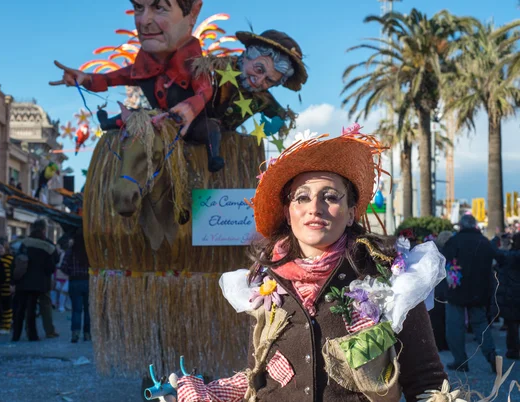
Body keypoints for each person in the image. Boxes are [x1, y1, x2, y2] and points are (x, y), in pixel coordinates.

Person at [174, 125, 452, 401]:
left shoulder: (391, 280)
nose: (314, 207)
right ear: (288, 211)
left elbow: (426, 382)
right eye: (302, 197)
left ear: (352, 212)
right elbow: (258, 377)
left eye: (330, 197)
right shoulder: (265, 285)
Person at [50, 0, 228, 173]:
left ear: (193, 13)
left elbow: (205, 90)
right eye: (137, 7)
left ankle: (214, 158)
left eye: (159, 7)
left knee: (210, 129)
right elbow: (112, 78)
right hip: (157, 124)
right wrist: (86, 79)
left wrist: (188, 109)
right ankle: (108, 124)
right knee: (133, 117)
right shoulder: (144, 67)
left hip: (188, 125)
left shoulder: (196, 66)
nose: (143, 21)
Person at [442, 214, 499, 372]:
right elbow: (496, 260)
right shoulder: (484, 242)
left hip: (456, 290)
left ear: (460, 226)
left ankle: (460, 361)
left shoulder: (454, 242)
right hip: (479, 292)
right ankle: (492, 355)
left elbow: (443, 262)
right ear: (474, 226)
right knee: (480, 324)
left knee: (455, 327)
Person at [12, 220, 56, 342]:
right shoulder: (47, 246)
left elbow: (17, 261)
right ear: (43, 229)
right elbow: (51, 267)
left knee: (20, 309)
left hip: (23, 281)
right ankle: (32, 335)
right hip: (38, 283)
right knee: (31, 310)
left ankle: (16, 335)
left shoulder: (24, 243)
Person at [61, 229, 90, 343]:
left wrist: (71, 273)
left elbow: (63, 266)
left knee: (76, 310)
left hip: (75, 282)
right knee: (88, 310)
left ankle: (75, 334)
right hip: (88, 282)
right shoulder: (89, 252)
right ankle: (87, 334)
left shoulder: (71, 251)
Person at [496, 232, 520, 359]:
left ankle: (514, 350)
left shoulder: (511, 256)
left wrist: (499, 239)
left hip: (512, 295)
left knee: (513, 325)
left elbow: (497, 255)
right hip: (513, 294)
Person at [430, 230, 453, 351]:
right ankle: (443, 343)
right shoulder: (447, 252)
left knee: (436, 317)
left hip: (436, 288)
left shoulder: (434, 251)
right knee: (443, 318)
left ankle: (438, 343)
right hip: (443, 287)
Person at [0, 238, 14, 335]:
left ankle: (6, 326)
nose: (0, 250)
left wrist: (12, 285)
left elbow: (13, 273)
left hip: (7, 287)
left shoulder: (10, 259)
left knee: (7, 307)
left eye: (2, 248)